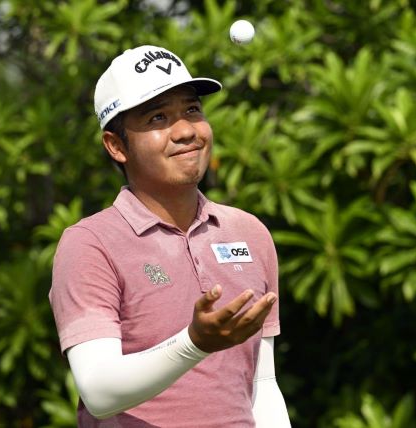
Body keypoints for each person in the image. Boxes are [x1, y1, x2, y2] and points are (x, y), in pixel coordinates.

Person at [49, 45, 292, 428]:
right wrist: (193, 343)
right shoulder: (89, 244)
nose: (185, 131)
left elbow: (262, 383)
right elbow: (99, 392)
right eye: (158, 117)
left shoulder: (249, 233)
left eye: (192, 110)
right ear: (116, 146)